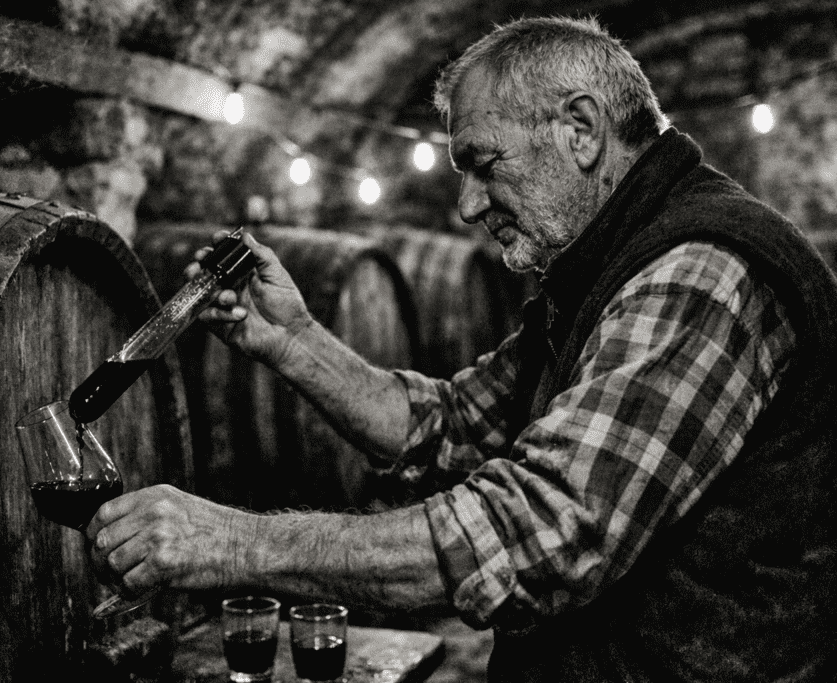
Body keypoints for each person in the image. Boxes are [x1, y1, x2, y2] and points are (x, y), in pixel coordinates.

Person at [88, 15, 837, 681]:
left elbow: (541, 530)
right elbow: (450, 426)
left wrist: (235, 544)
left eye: (485, 163)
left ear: (580, 128)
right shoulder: (595, 269)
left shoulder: (700, 271)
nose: (469, 205)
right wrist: (295, 340)